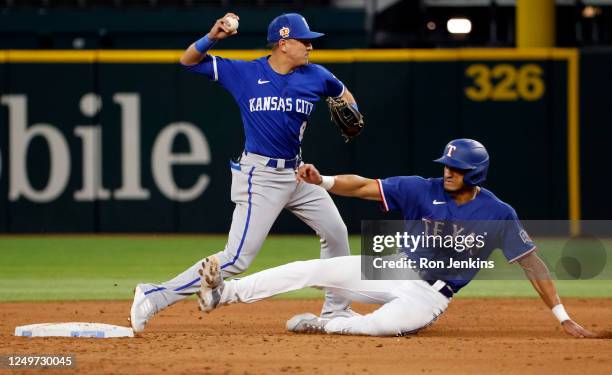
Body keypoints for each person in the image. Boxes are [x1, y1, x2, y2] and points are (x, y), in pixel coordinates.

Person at [195, 139, 595, 338]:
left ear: (474, 174)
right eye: (447, 165)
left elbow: (531, 262)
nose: (447, 171)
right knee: (308, 269)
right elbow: (366, 186)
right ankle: (222, 293)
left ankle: (328, 324)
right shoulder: (423, 187)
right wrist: (327, 181)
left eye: (455, 168)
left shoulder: (497, 213)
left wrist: (562, 316)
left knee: (379, 328)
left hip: (431, 296)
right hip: (392, 267)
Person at [130, 12, 362, 332]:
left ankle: (337, 310)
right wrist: (212, 36)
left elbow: (341, 92)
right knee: (236, 258)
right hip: (260, 177)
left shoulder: (317, 76)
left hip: (297, 174)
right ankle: (154, 294)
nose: (310, 46)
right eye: (304, 40)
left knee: (336, 233)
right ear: (283, 44)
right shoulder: (244, 72)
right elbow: (188, 61)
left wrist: (352, 108)